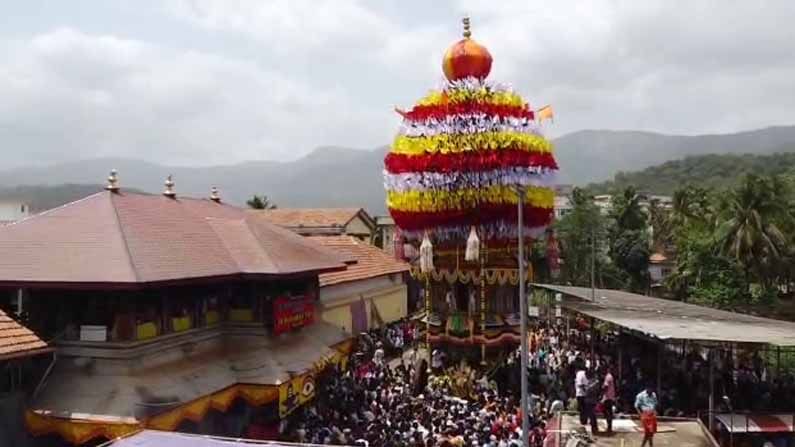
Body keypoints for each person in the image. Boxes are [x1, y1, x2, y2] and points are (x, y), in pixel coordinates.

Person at [602, 365, 616, 435]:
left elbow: (606, 387)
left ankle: (609, 426)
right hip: (609, 396)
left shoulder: (608, 376)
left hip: (608, 397)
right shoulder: (609, 376)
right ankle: (609, 426)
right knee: (607, 412)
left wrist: (601, 393)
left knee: (607, 412)